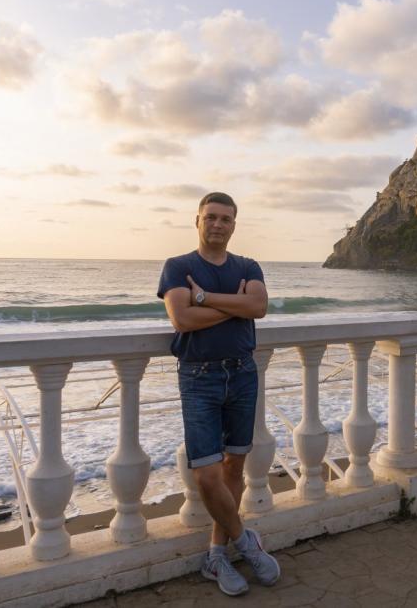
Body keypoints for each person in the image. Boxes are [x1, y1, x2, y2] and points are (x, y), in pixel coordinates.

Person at [156, 191, 279, 596]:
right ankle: (246, 542)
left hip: (242, 373)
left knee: (233, 469)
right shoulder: (178, 266)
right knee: (207, 474)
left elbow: (258, 307)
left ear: (234, 225)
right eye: (210, 217)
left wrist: (205, 297)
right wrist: (235, 304)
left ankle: (216, 554)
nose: (217, 224)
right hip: (199, 377)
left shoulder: (248, 265)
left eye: (225, 218)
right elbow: (182, 318)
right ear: (197, 221)